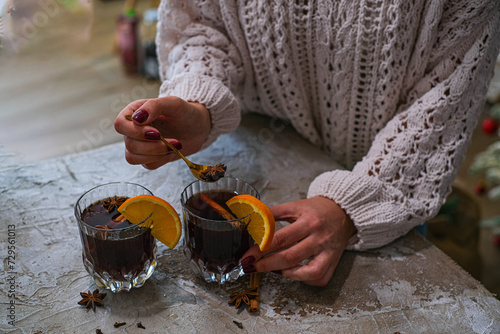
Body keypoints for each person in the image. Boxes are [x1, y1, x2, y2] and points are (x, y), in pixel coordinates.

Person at [115, 0, 500, 286]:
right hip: (252, 158)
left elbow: (447, 90)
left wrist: (352, 205)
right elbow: (204, 22)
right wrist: (200, 102)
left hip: (383, 191)